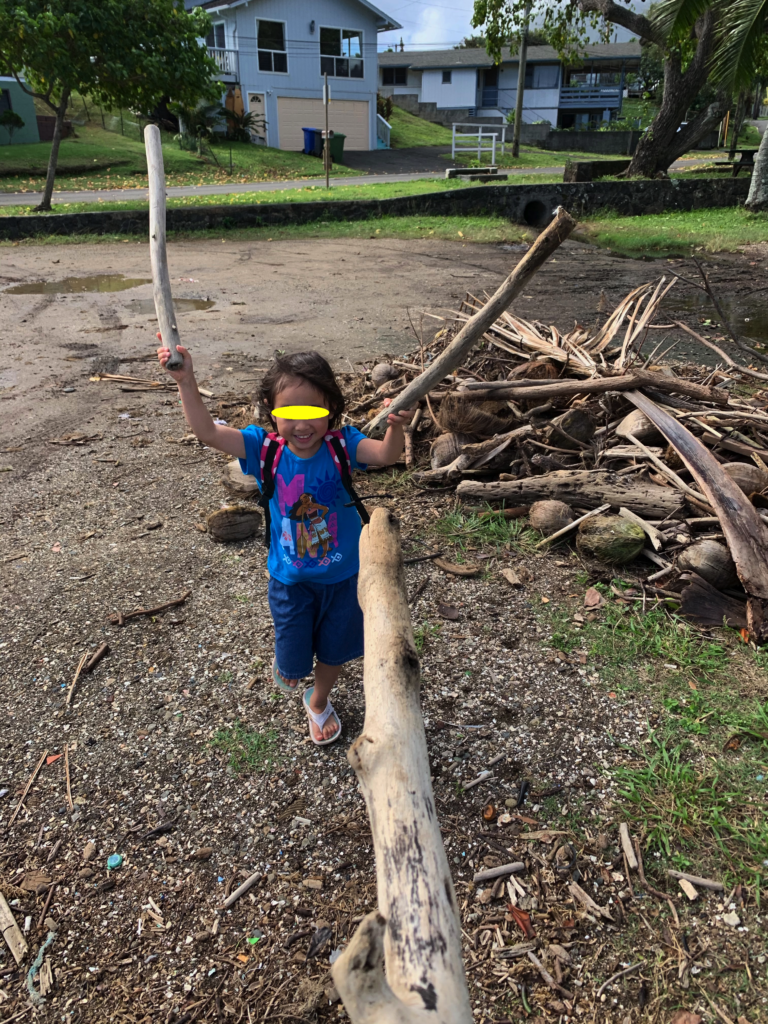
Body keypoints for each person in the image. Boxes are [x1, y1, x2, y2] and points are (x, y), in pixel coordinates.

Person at [157, 341, 414, 745]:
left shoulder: (343, 446)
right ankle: (293, 666)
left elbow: (385, 454)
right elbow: (206, 432)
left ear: (331, 407)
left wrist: (397, 426)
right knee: (291, 662)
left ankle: (320, 699)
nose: (302, 425)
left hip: (344, 577)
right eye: (289, 414)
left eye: (313, 412)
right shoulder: (263, 450)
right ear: (271, 411)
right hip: (290, 581)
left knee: (334, 652)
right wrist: (186, 381)